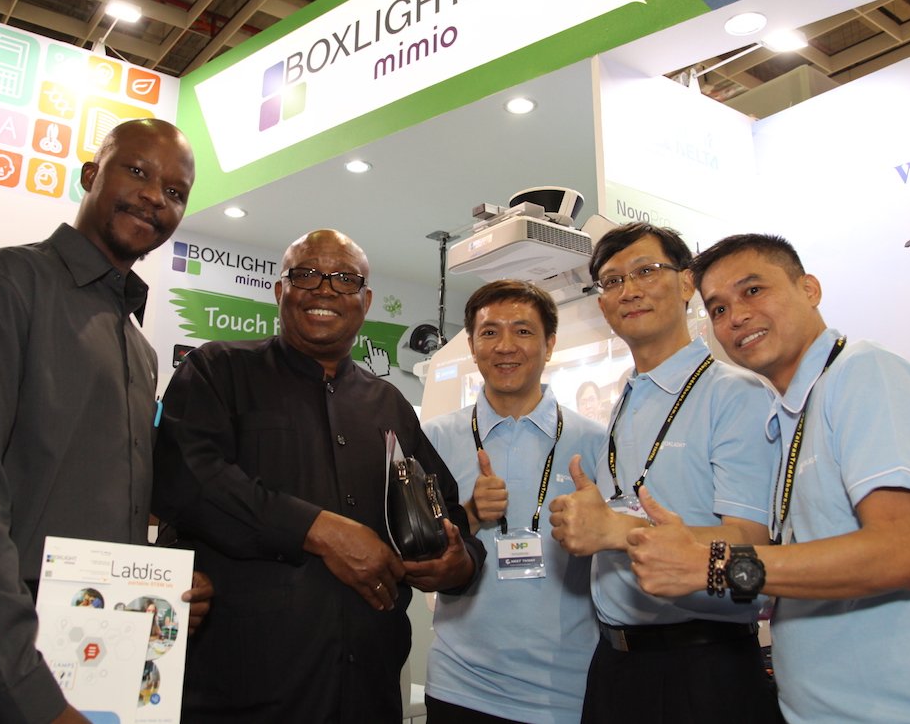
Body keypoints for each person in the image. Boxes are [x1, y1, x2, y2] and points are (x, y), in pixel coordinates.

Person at [0, 118, 212, 724]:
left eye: (175, 191)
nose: (154, 197)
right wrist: (27, 692)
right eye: (137, 171)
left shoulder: (139, 350)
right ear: (90, 175)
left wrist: (157, 594)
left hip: (80, 653)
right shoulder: (2, 285)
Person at [626, 233, 910, 724]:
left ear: (810, 289)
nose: (736, 316)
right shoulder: (790, 414)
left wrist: (712, 565)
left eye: (753, 290)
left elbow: (897, 554)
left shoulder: (864, 373)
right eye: (718, 309)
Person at [152, 228, 486, 723]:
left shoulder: (389, 405)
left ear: (365, 301)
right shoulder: (217, 371)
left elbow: (447, 513)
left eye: (345, 279)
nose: (325, 289)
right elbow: (189, 480)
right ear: (279, 290)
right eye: (306, 274)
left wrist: (459, 565)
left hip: (367, 691)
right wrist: (319, 530)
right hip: (245, 691)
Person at [548, 222, 780, 723]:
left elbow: (753, 544)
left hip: (702, 666)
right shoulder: (625, 401)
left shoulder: (734, 394)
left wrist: (617, 531)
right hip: (616, 663)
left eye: (646, 271)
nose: (629, 291)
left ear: (686, 282)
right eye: (612, 282)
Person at [420, 280, 605, 724]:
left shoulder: (595, 442)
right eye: (489, 332)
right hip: (460, 685)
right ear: (472, 345)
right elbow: (416, 558)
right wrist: (469, 515)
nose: (505, 346)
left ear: (550, 344)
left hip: (569, 688)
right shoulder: (434, 439)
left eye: (523, 331)